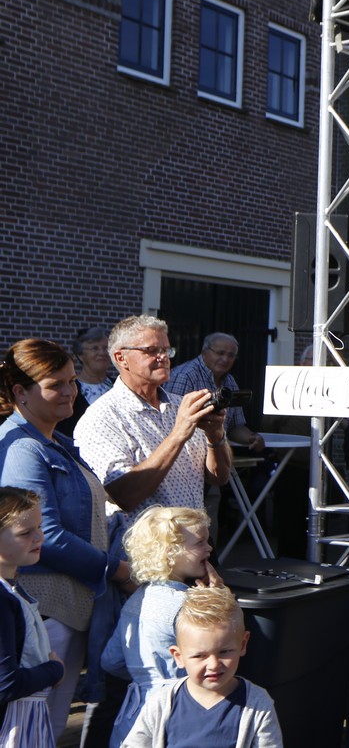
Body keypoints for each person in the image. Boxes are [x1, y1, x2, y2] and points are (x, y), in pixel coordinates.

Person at [0, 340, 132, 737]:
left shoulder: (52, 441)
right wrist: (116, 569)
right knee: (35, 729)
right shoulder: (23, 449)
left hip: (63, 606)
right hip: (46, 610)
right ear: (21, 392)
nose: (70, 391)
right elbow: (46, 536)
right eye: (55, 384)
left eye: (72, 381)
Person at [75, 316, 232, 525]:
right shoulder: (101, 418)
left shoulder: (181, 406)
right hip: (145, 544)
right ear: (121, 358)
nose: (163, 357)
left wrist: (215, 435)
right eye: (151, 350)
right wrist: (178, 435)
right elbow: (125, 496)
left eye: (166, 350)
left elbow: (219, 477)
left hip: (193, 538)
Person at [102, 506, 221, 748]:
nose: (209, 548)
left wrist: (145, 676)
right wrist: (218, 599)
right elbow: (219, 648)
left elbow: (110, 660)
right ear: (170, 552)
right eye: (200, 542)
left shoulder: (135, 601)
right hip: (180, 714)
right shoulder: (188, 605)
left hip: (135, 717)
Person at [123, 586, 283, 747]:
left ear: (242, 644)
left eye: (224, 652)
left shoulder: (257, 704)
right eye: (199, 656)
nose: (213, 665)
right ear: (178, 656)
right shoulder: (161, 702)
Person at [0, 487, 64, 748]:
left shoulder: (11, 590)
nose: (39, 537)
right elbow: (5, 683)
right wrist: (55, 669)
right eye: (25, 533)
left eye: (39, 527)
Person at [55, 327, 114, 439]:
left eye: (106, 348)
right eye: (95, 348)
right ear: (80, 355)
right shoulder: (70, 390)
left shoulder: (119, 387)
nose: (102, 353)